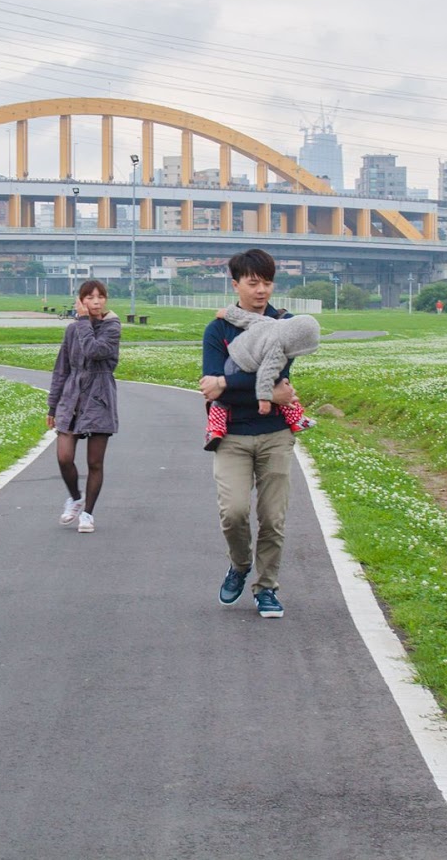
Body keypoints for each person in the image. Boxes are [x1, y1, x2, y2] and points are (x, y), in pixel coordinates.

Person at [200, 248, 298, 619]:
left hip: (275, 433)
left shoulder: (285, 325)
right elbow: (213, 387)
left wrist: (227, 382)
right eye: (253, 283)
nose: (261, 291)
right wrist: (265, 392)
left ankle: (267, 587)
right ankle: (240, 565)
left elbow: (277, 376)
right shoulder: (218, 329)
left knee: (273, 518)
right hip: (231, 435)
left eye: (268, 283)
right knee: (234, 512)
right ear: (235, 284)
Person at [48, 280, 121, 533]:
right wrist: (52, 406)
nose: (96, 301)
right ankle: (75, 498)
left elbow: (94, 351)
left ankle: (88, 514)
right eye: (90, 297)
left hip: (100, 397)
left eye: (100, 296)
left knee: (95, 463)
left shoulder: (112, 327)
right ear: (80, 300)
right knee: (64, 456)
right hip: (72, 397)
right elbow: (61, 369)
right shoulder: (72, 330)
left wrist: (81, 321)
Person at [204, 306, 319, 450]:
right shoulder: (276, 349)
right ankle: (215, 429)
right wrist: (265, 399)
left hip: (233, 357)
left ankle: (215, 431)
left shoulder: (270, 323)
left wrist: (227, 313)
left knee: (282, 389)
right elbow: (265, 375)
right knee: (222, 400)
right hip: (242, 366)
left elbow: (247, 318)